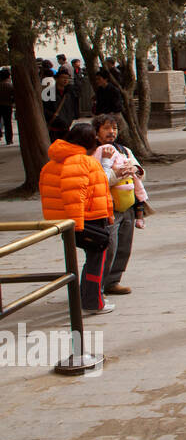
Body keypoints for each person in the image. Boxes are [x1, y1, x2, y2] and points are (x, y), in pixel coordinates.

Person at [40, 122, 114, 315]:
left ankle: (87, 296)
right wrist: (77, 225)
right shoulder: (80, 161)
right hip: (85, 219)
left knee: (93, 258)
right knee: (97, 257)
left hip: (68, 222)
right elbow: (74, 194)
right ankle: (93, 301)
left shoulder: (54, 162)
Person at [89, 114, 147, 296]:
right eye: (106, 128)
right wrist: (118, 174)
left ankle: (113, 281)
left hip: (128, 204)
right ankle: (97, 286)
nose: (111, 132)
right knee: (110, 247)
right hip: (108, 207)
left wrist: (134, 169)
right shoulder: (94, 152)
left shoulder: (124, 150)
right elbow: (99, 180)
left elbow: (140, 172)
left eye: (114, 128)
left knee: (124, 246)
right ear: (97, 132)